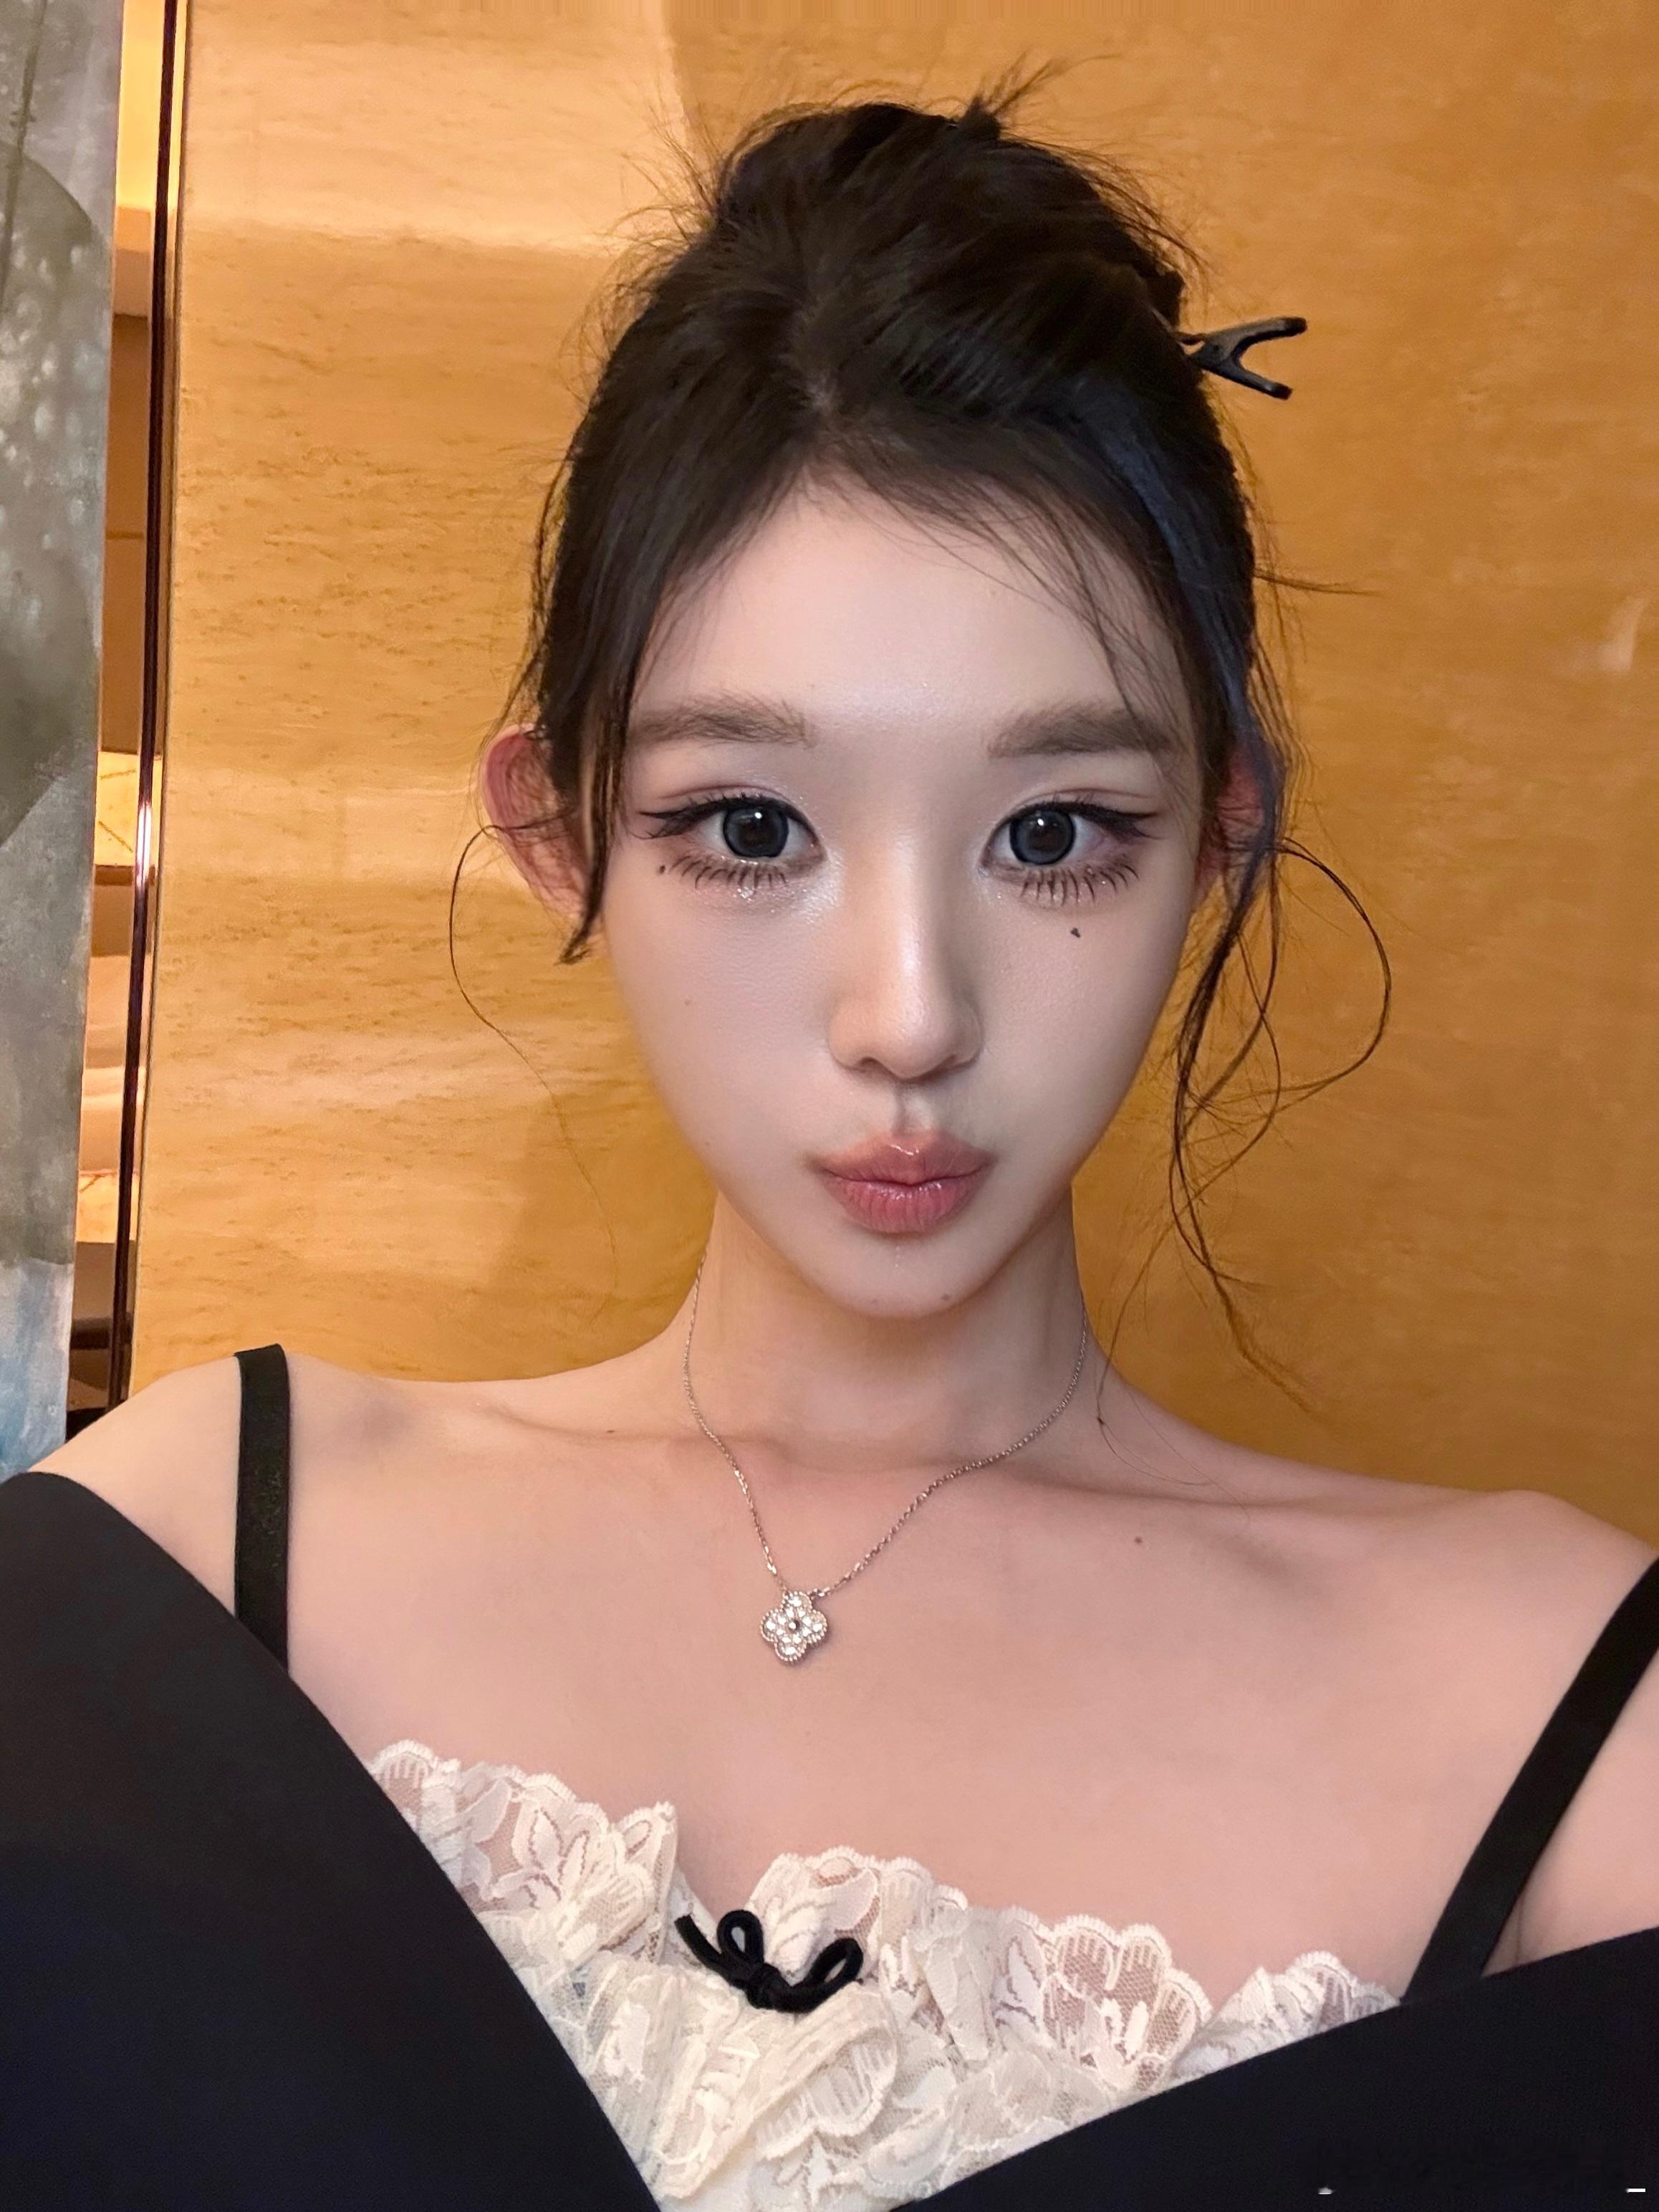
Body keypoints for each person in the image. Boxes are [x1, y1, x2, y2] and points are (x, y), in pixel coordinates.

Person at [4, 87, 1657, 2212]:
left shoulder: (1569, 1713)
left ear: (1219, 833)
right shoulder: (185, 1562)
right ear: (558, 829)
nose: (908, 1016)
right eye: (750, 825)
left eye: (1052, 833)